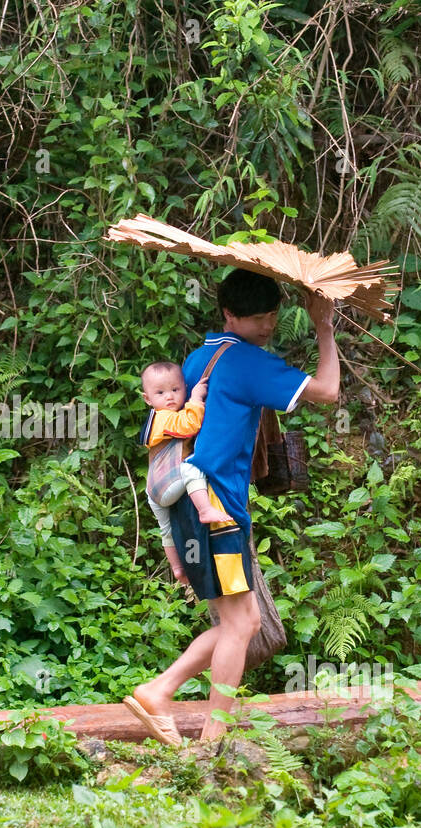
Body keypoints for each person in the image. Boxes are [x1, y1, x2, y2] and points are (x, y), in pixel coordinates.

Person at [123, 269, 340, 745]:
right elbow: (328, 392)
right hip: (215, 509)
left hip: (187, 502)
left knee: (241, 622)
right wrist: (323, 326)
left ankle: (160, 692)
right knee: (242, 623)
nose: (267, 326)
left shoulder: (198, 358)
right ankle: (210, 737)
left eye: (272, 317)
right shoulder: (247, 362)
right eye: (258, 318)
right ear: (229, 314)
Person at [139, 361, 232, 584]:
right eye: (160, 392)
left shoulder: (155, 420)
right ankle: (205, 509)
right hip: (167, 485)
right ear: (148, 399)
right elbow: (189, 425)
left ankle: (178, 569)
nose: (169, 397)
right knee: (193, 465)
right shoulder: (162, 418)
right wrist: (195, 399)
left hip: (153, 489)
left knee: (167, 531)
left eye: (175, 390)